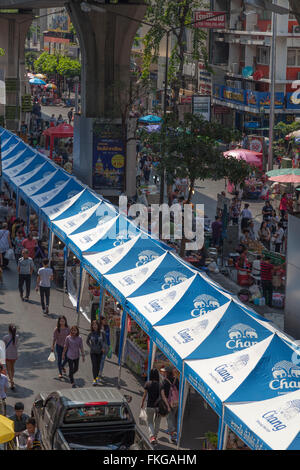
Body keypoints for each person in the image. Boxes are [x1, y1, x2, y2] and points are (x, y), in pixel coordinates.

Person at [141, 368, 161, 445]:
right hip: (158, 407)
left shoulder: (148, 383)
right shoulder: (160, 385)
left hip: (149, 406)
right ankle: (155, 437)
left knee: (150, 422)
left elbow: (145, 394)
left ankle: (152, 437)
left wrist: (142, 403)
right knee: (157, 423)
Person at [160, 366, 179, 444]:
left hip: (169, 402)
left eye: (164, 372)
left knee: (169, 417)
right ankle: (170, 430)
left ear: (167, 373)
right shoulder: (176, 380)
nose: (163, 373)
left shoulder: (164, 381)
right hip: (176, 402)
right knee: (173, 416)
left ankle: (172, 434)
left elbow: (163, 394)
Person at [86, 320, 106, 386]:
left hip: (100, 352)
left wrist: (103, 348)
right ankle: (94, 379)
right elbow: (87, 341)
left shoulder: (101, 333)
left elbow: (104, 341)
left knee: (98, 366)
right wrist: (91, 346)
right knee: (94, 365)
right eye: (93, 325)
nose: (94, 326)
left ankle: (97, 377)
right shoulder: (91, 333)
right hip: (93, 352)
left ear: (98, 326)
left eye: (95, 325)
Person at [3, 324, 19, 390]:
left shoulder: (5, 337)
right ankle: (11, 378)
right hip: (14, 355)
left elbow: (4, 346)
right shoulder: (17, 336)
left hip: (7, 355)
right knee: (12, 368)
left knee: (8, 368)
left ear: (9, 330)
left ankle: (11, 381)